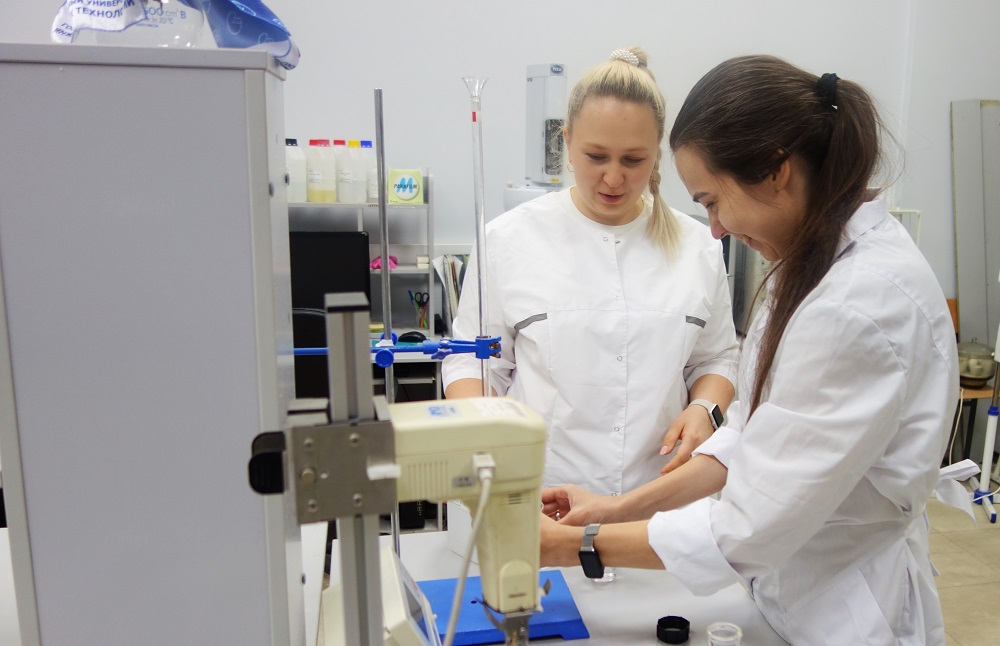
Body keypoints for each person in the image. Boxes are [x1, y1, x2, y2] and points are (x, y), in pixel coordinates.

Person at [540, 55, 959, 645]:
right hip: (789, 591)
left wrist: (575, 544)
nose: (713, 228)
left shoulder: (856, 304)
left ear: (776, 171)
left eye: (712, 201)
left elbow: (746, 530)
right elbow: (747, 435)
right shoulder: (811, 264)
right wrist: (617, 508)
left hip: (845, 611)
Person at [442, 47, 738, 495]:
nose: (614, 179)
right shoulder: (507, 240)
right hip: (542, 493)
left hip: (659, 496)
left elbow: (717, 357)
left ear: (657, 153)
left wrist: (706, 410)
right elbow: (473, 360)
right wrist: (484, 439)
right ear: (567, 142)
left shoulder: (698, 245)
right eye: (597, 156)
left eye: (633, 160)